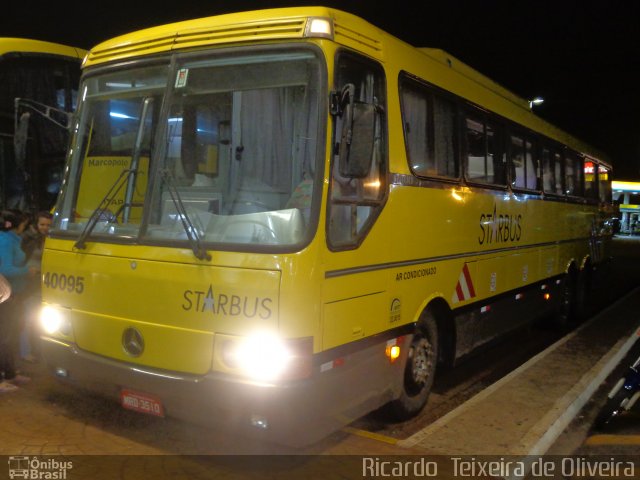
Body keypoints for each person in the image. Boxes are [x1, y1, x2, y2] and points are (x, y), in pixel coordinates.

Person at [0, 209, 36, 392]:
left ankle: (10, 373)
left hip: (13, 296)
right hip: (6, 298)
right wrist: (27, 272)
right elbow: (5, 269)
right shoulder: (5, 241)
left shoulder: (11, 240)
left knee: (10, 335)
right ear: (19, 224)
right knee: (4, 337)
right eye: (25, 223)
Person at [20, 210, 53, 362]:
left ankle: (37, 351)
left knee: (40, 320)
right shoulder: (28, 238)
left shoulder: (53, 239)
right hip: (30, 283)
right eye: (42, 224)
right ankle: (26, 352)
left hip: (45, 284)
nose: (45, 227)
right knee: (29, 318)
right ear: (36, 224)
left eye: (48, 225)